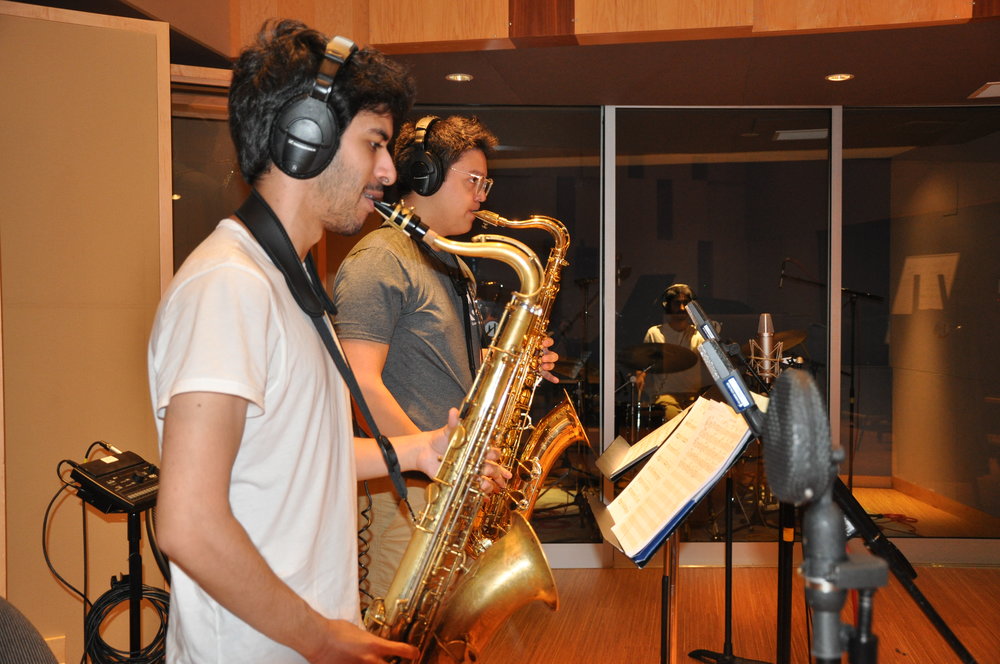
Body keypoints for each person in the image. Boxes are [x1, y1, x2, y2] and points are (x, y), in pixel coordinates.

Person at [148, 21, 506, 664]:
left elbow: (294, 458)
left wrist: (422, 448)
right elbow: (188, 522)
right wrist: (320, 637)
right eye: (375, 143)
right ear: (304, 139)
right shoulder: (230, 285)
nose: (390, 170)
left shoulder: (286, 281)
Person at [332, 114, 557, 604]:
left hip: (443, 480)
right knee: (397, 626)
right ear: (426, 175)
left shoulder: (449, 260)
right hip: (406, 491)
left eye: (485, 182)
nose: (482, 195)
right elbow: (359, 384)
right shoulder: (380, 260)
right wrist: (431, 458)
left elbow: (443, 353)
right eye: (473, 181)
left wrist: (513, 360)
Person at [638, 283, 718, 421]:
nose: (682, 308)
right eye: (677, 303)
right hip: (665, 398)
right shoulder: (655, 333)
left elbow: (713, 363)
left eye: (685, 303)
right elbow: (641, 366)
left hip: (694, 398)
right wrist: (640, 378)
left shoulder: (697, 335)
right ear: (667, 305)